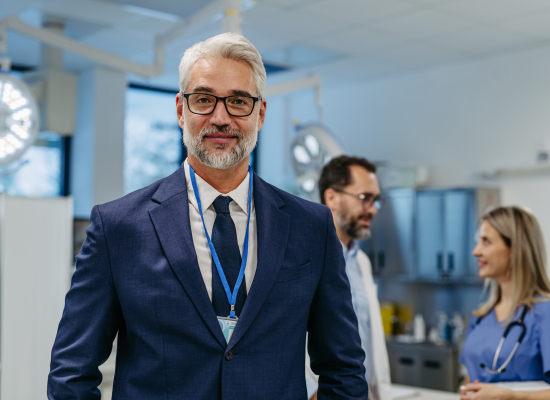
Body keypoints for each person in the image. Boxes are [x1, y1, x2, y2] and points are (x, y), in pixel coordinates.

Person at [48, 33, 368, 400]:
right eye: (203, 99)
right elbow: (71, 375)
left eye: (238, 101)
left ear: (260, 113)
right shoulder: (118, 227)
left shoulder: (311, 226)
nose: (221, 117)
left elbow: (343, 371)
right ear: (181, 110)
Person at [459, 206, 550, 400]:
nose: (476, 251)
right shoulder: (481, 317)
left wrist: (511, 396)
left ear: (516, 248)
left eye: (486, 242)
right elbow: (472, 381)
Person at [306, 156, 392, 400]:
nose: (373, 209)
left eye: (376, 200)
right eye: (365, 198)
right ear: (331, 198)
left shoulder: (360, 262)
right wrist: (310, 389)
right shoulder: (302, 255)